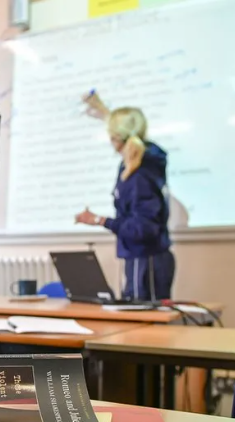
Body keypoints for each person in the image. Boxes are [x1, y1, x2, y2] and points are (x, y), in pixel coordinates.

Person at [75, 92, 175, 301]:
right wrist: (103, 112)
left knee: (144, 326)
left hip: (145, 261)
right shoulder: (144, 162)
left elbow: (142, 228)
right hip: (143, 258)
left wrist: (99, 220)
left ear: (116, 137)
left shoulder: (139, 175)